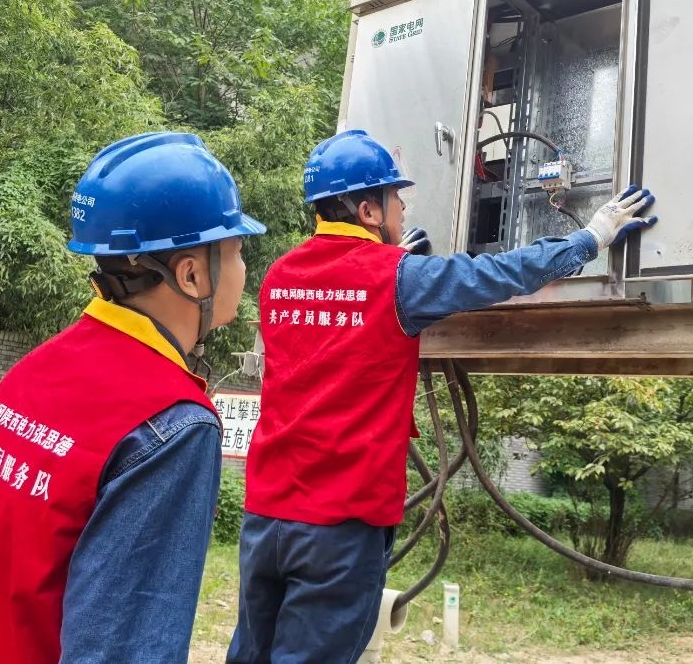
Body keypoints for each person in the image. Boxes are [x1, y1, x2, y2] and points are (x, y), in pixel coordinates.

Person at [228, 128, 657, 664]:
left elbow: (333, 329)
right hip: (340, 526)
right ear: (368, 210)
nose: (404, 208)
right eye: (396, 197)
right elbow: (499, 273)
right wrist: (589, 238)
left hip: (266, 517)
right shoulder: (399, 279)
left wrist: (399, 265)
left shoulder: (279, 276)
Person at [0, 132, 266, 664]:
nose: (244, 269)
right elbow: (124, 648)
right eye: (237, 250)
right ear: (192, 274)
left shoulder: (35, 369)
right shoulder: (174, 424)